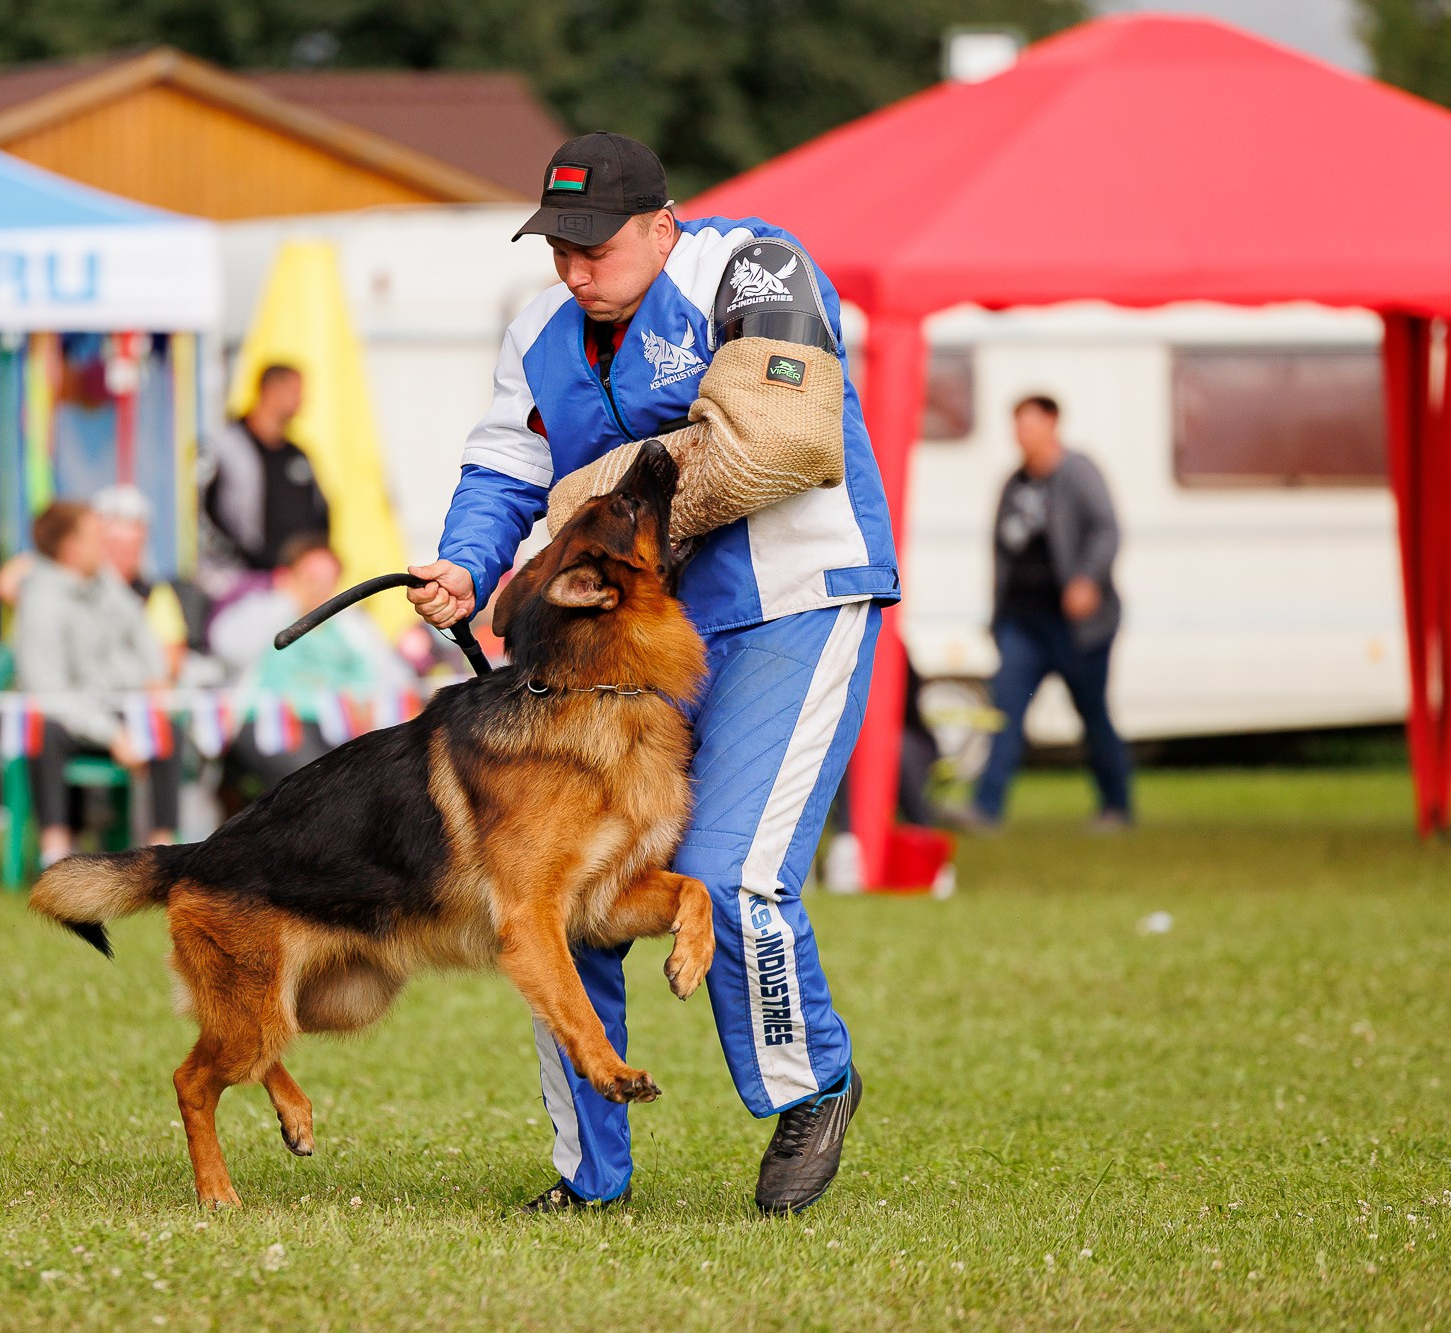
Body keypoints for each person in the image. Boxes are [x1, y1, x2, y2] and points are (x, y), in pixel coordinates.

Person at [406, 134, 897, 1215]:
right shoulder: (537, 328)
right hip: (622, 644)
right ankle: (590, 1174)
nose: (574, 268)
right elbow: (504, 465)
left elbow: (777, 442)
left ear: (660, 222)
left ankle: (807, 1084)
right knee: (560, 894)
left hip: (789, 605)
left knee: (729, 875)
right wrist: (465, 558)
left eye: (595, 245)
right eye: (557, 246)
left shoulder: (751, 268)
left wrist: (606, 499)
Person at [961, 394, 1131, 829]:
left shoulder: (1077, 472)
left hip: (1076, 626)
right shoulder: (1014, 483)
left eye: (1031, 425)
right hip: (1023, 623)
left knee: (1093, 715)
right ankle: (986, 808)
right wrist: (996, 618)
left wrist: (1088, 579)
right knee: (1006, 713)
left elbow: (1107, 529)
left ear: (1053, 424)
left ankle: (1117, 807)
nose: (1023, 435)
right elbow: (1000, 553)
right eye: (1018, 426)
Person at [14, 501, 166, 868]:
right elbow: (51, 696)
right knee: (45, 729)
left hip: (116, 707)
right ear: (70, 547)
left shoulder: (106, 582)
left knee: (163, 724)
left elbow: (142, 632)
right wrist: (112, 734)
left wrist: (155, 679)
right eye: (96, 535)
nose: (106, 544)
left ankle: (164, 852)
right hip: (68, 718)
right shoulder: (39, 601)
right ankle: (55, 851)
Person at [209, 535, 412, 805]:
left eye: (329, 580)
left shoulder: (353, 625)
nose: (320, 588)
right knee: (320, 783)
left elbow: (397, 678)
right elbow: (226, 645)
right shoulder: (263, 611)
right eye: (311, 578)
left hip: (341, 727)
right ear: (286, 576)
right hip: (273, 725)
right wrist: (288, 600)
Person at [90, 484, 213, 842]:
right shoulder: (75, 588)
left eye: (131, 547)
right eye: (113, 546)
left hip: (135, 702)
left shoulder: (156, 594)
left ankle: (162, 843)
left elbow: (167, 663)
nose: (122, 556)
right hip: (90, 700)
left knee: (165, 729)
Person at [202, 364, 329, 574]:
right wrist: (244, 561)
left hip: (292, 581)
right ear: (271, 390)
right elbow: (203, 514)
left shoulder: (297, 454)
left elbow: (321, 514)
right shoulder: (224, 447)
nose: (302, 401)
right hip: (238, 578)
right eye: (295, 392)